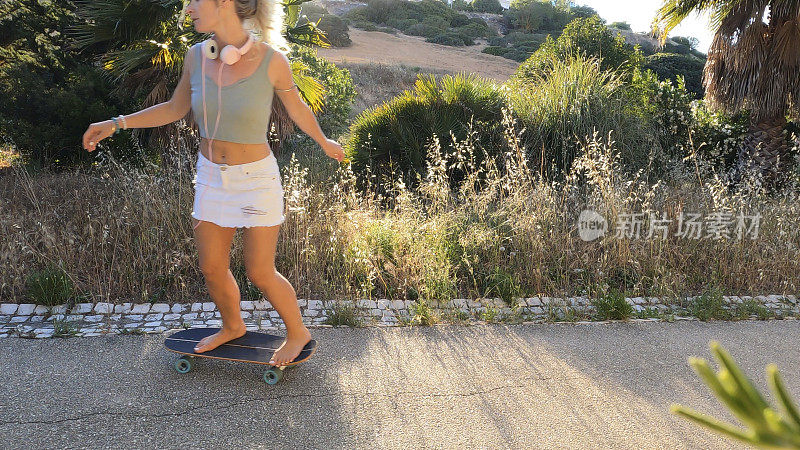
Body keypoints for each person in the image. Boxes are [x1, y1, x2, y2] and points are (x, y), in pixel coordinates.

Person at [81, 0, 345, 366]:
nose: (188, 8)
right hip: (209, 175)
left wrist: (324, 141)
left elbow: (298, 108)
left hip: (256, 179)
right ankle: (233, 326)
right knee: (211, 266)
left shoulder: (271, 61)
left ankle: (298, 333)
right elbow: (175, 108)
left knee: (260, 271)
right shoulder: (196, 56)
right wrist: (117, 122)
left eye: (194, 0)